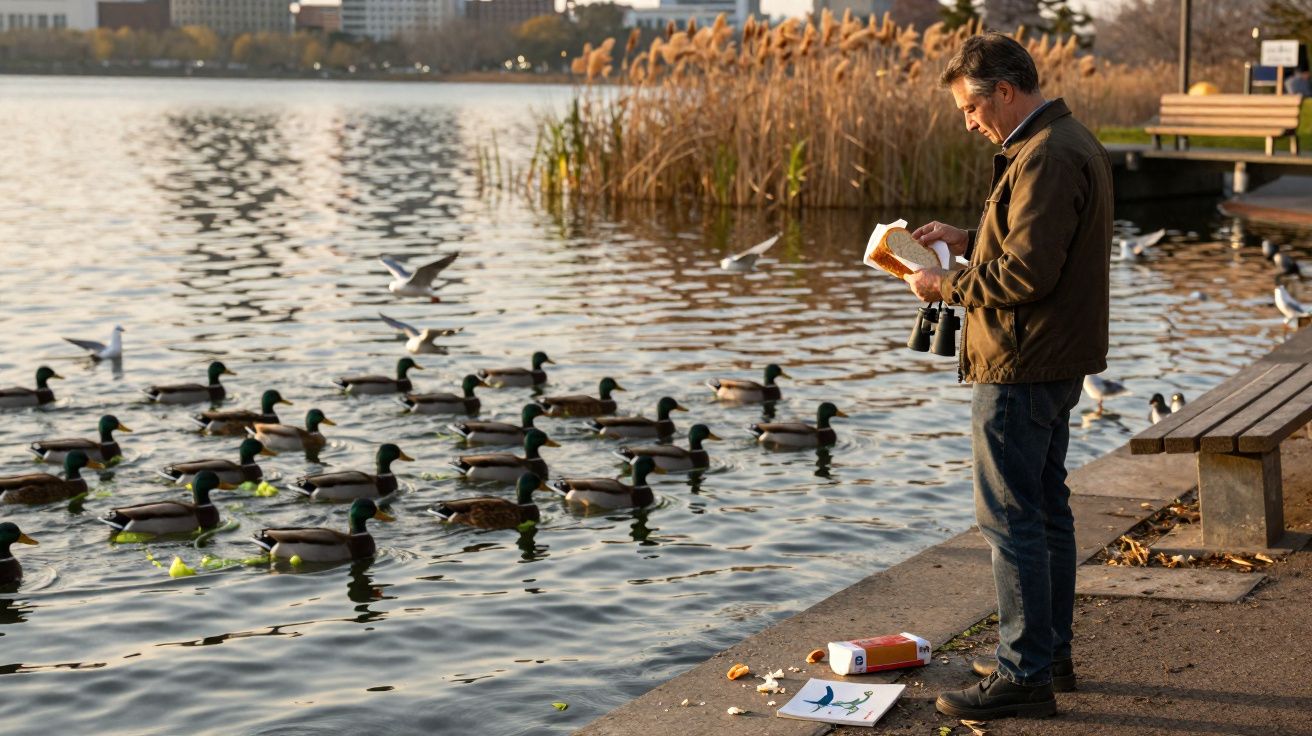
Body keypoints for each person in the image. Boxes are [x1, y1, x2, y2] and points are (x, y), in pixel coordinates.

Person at [903, 33, 1113, 720]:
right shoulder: (1062, 142)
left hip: (1023, 361)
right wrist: (968, 240)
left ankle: (1024, 674)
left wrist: (942, 283)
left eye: (971, 107)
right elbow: (1039, 247)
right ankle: (1048, 656)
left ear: (1004, 90)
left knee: (1009, 517)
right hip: (1053, 355)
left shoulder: (1045, 155)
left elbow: (1027, 274)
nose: (968, 122)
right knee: (1045, 508)